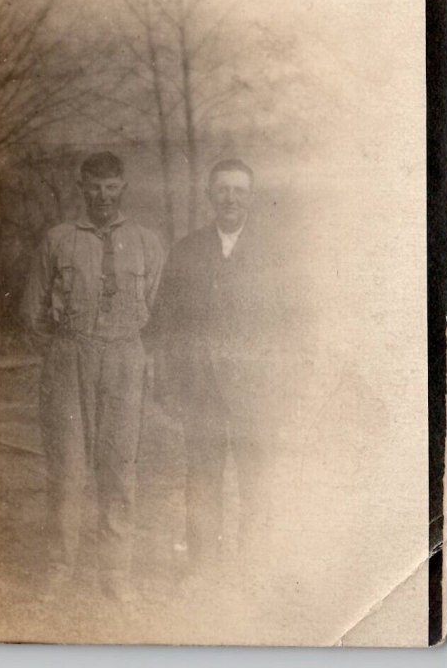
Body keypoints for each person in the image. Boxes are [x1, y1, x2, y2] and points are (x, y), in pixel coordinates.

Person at [22, 151, 164, 602]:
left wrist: (128, 348)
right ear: (81, 188)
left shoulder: (147, 242)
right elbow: (31, 314)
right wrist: (66, 351)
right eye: (94, 187)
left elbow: (158, 310)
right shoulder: (58, 241)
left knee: (119, 468)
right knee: (66, 469)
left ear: (123, 188)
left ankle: (115, 575)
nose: (103, 196)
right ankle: (59, 569)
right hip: (69, 359)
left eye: (111, 187)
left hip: (125, 359)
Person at [146, 159, 289, 584]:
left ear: (250, 196)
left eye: (239, 190)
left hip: (254, 394)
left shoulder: (272, 254)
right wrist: (169, 383)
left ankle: (253, 572)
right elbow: (166, 322)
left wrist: (282, 385)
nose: (230, 198)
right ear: (210, 195)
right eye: (222, 189)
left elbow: (290, 324)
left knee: (256, 484)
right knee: (202, 484)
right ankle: (202, 570)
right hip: (202, 392)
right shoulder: (187, 251)